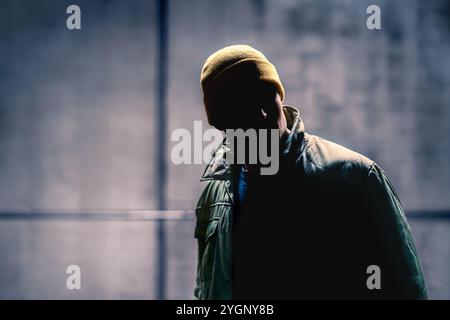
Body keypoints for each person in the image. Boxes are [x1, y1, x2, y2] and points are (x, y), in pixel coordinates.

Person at [193, 44, 427, 299]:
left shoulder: (356, 178)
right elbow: (208, 288)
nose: (263, 114)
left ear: (280, 96)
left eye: (267, 98)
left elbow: (404, 289)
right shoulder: (216, 192)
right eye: (246, 108)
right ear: (221, 123)